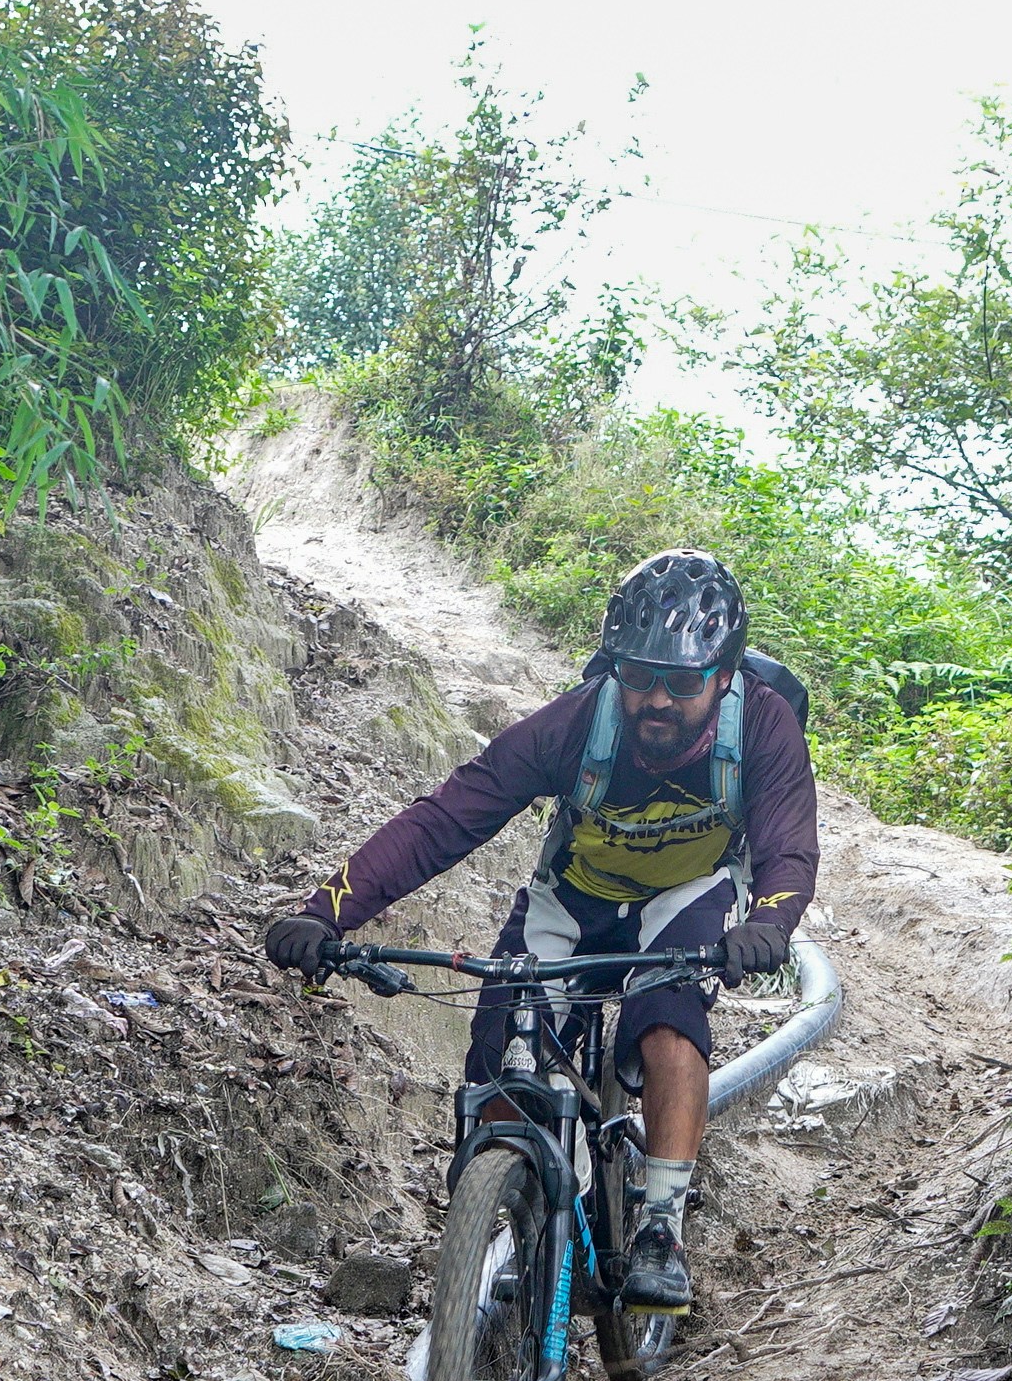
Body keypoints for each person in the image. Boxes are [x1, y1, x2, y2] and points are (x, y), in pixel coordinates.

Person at [263, 551, 818, 1318]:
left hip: (684, 897)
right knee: (499, 1054)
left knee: (668, 1023)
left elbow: (788, 846)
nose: (657, 700)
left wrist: (769, 923)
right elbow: (446, 819)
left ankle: (660, 1226)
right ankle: (523, 1218)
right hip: (575, 895)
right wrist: (326, 912)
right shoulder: (576, 723)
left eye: (683, 682)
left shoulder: (760, 723)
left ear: (722, 677)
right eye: (639, 676)